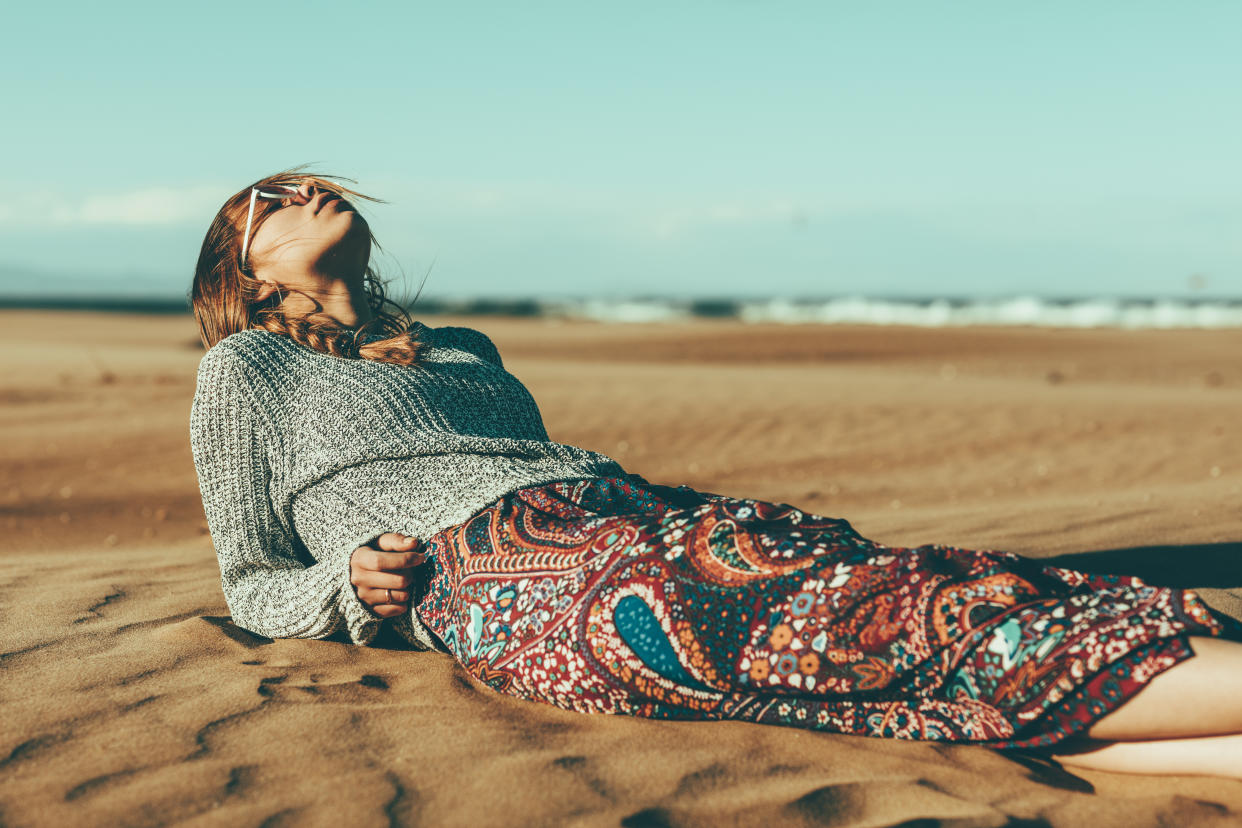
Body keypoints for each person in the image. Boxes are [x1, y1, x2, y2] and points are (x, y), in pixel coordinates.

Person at [189, 169, 1242, 780]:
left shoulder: (465, 348)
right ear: (246, 271)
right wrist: (343, 587)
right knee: (872, 636)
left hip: (638, 517)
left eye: (312, 179)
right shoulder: (247, 369)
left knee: (893, 622)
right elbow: (251, 577)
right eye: (271, 201)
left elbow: (552, 469)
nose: (308, 189)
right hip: (511, 575)